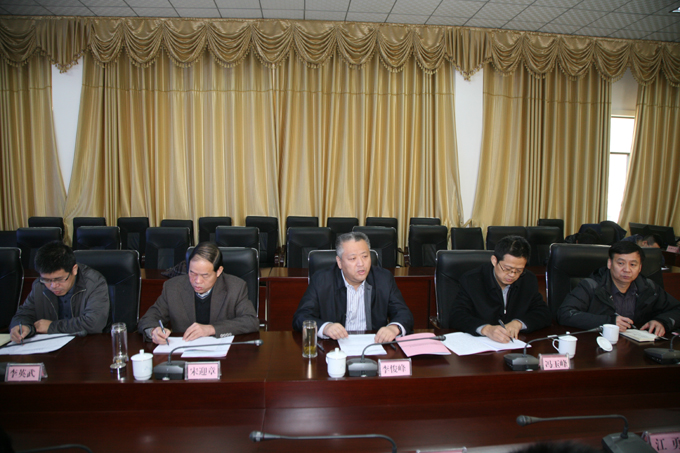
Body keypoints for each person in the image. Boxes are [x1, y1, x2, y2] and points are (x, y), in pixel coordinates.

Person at [292, 232, 414, 343]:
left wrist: (394, 328)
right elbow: (301, 317)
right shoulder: (322, 280)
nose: (361, 264)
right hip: (334, 349)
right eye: (353, 258)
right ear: (339, 262)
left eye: (365, 256)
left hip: (373, 346)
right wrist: (325, 327)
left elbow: (404, 313)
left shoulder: (384, 279)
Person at [138, 242, 259, 344]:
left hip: (223, 356)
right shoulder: (173, 287)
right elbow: (148, 319)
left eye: (205, 275)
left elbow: (250, 321)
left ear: (218, 271)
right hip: (183, 354)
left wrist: (211, 329)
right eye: (192, 273)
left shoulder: (235, 287)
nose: (197, 281)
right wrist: (153, 331)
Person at [558, 241, 679, 336]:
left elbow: (677, 309)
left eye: (633, 264)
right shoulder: (591, 286)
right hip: (598, 346)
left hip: (636, 349)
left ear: (640, 267)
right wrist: (608, 322)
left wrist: (662, 322)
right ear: (610, 263)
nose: (627, 269)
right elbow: (565, 314)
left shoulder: (648, 288)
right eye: (621, 263)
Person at [449, 235, 551, 343]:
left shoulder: (528, 280)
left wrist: (518, 323)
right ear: (494, 260)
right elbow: (457, 316)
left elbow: (543, 313)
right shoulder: (471, 280)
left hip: (514, 344)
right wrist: (486, 329)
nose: (512, 275)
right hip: (480, 345)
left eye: (519, 270)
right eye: (507, 269)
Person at [9, 241, 110, 343]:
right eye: (47, 280)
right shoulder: (39, 285)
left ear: (74, 270)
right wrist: (21, 326)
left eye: (59, 279)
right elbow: (23, 314)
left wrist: (52, 327)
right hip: (50, 346)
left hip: (85, 344)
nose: (53, 286)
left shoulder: (94, 283)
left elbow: (93, 324)